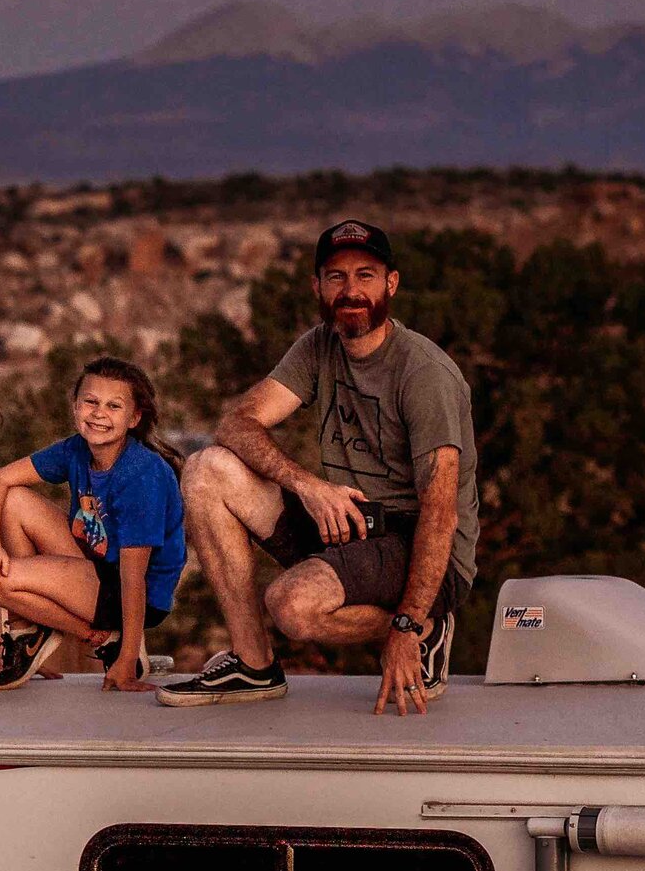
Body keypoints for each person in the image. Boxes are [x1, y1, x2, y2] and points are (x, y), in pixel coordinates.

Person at [160, 219, 478, 713]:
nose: (351, 291)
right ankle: (254, 664)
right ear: (318, 286)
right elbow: (237, 423)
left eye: (366, 275)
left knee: (290, 604)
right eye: (336, 277)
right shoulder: (318, 347)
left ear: (391, 283)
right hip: (348, 523)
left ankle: (429, 629)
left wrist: (408, 623)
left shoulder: (424, 373)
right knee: (206, 469)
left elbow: (440, 514)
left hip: (416, 543)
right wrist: (306, 485)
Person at [0, 357, 187, 693]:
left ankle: (113, 641)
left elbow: (133, 578)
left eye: (114, 406)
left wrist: (127, 661)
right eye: (91, 401)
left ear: (134, 418)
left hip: (135, 593)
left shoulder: (142, 475)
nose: (99, 413)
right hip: (95, 570)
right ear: (75, 407)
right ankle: (28, 632)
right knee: (12, 499)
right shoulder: (76, 450)